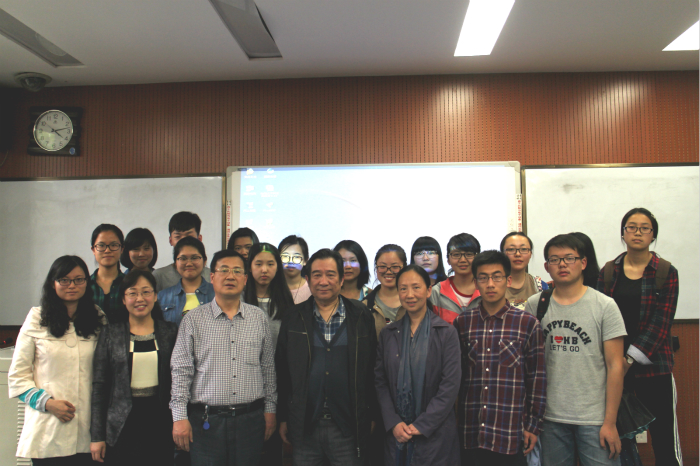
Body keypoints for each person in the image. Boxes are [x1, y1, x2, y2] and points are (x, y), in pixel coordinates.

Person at [524, 234, 626, 466]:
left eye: (569, 258)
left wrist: (610, 422)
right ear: (546, 266)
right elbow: (529, 364)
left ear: (583, 263)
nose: (562, 264)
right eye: (555, 259)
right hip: (549, 418)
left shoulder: (604, 306)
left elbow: (615, 366)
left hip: (595, 419)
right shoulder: (535, 304)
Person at [170, 249, 277, 466]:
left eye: (237, 271)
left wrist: (270, 409)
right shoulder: (193, 320)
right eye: (224, 270)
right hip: (206, 421)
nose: (230, 276)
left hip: (250, 420)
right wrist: (179, 416)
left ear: (245, 279)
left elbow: (267, 368)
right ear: (212, 277)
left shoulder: (258, 318)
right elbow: (181, 370)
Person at [276, 248, 378, 466]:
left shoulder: (361, 316)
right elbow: (282, 372)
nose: (323, 281)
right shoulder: (293, 317)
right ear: (307, 279)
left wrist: (371, 415)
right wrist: (283, 417)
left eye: (330, 275)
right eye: (317, 275)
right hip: (305, 426)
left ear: (341, 280)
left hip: (348, 427)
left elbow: (371, 370)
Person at [597, 208, 683, 466]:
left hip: (654, 368)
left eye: (644, 228)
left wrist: (629, 360)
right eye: (631, 227)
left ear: (653, 234)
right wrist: (617, 362)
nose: (637, 232)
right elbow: (601, 318)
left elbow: (661, 323)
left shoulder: (666, 271)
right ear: (623, 233)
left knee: (664, 440)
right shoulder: (608, 271)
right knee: (619, 438)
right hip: (614, 368)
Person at [8, 255, 104, 465]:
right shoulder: (37, 318)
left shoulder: (97, 318)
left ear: (86, 283)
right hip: (47, 429)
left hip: (89, 432)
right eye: (64, 280)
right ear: (53, 283)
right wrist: (48, 403)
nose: (72, 285)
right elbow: (17, 377)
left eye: (78, 279)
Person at [453, 251, 546, 466]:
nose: (490, 284)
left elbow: (537, 379)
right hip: (471, 433)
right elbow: (456, 378)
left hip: (510, 433)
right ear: (476, 282)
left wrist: (533, 426)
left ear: (508, 280)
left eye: (497, 277)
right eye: (483, 278)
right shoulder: (462, 323)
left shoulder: (528, 324)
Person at [375, 265, 461, 466]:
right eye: (403, 288)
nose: (410, 295)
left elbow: (450, 386)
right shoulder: (388, 334)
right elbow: (380, 382)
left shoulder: (446, 333)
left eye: (416, 287)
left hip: (436, 434)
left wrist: (422, 424)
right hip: (397, 433)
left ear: (429, 290)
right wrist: (394, 422)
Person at [90, 270, 178, 465]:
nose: (140, 299)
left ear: (155, 296)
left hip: (160, 420)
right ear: (123, 299)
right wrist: (97, 436)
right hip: (121, 423)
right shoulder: (110, 334)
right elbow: (99, 387)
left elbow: (180, 382)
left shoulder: (170, 332)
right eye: (132, 293)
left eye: (146, 292)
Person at [244, 242, 295, 466]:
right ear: (249, 266)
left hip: (279, 381)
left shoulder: (286, 302)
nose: (264, 270)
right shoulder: (239, 300)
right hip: (247, 381)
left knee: (272, 447)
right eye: (258, 264)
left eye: (270, 264)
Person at [158, 236, 215, 327]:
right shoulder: (163, 297)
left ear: (204, 261)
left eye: (195, 258)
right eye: (183, 258)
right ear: (175, 263)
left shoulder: (217, 294)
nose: (189, 263)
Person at [153, 211, 211, 292]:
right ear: (170, 240)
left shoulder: (212, 276)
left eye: (189, 236)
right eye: (177, 236)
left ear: (199, 239)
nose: (184, 241)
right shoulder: (159, 276)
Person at [431, 233, 481, 324]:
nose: (462, 260)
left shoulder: (486, 288)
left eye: (469, 254)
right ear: (448, 260)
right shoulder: (436, 293)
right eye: (456, 254)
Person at [363, 244, 407, 339]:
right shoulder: (365, 306)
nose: (388, 271)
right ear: (376, 268)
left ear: (404, 268)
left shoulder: (415, 301)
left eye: (395, 267)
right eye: (382, 266)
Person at [500, 232, 548, 310]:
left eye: (524, 249)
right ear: (502, 254)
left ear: (530, 254)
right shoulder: (492, 284)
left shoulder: (541, 286)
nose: (518, 254)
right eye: (511, 249)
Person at [279, 234, 312, 304]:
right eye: (285, 256)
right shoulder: (271, 287)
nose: (291, 262)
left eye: (296, 257)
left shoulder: (312, 288)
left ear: (305, 261)